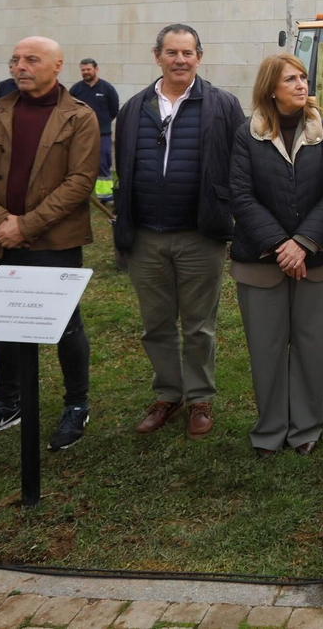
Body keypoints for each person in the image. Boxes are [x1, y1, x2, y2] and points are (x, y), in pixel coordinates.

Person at [0, 36, 99, 452]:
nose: (20, 66)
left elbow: (79, 182)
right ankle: (8, 402)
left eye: (31, 60)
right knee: (6, 323)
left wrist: (27, 225)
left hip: (54, 241)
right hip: (1, 240)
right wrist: (1, 222)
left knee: (66, 325)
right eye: (15, 59)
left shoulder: (79, 117)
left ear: (58, 66)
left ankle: (77, 404)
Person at [113, 24, 246, 439]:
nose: (180, 60)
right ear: (158, 57)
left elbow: (242, 163)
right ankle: (168, 394)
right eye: (172, 53)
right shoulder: (134, 108)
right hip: (147, 236)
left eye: (187, 53)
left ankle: (200, 398)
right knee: (155, 324)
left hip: (199, 234)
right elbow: (123, 166)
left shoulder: (223, 105)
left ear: (199, 57)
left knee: (198, 325)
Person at [230, 53, 323, 458]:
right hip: (260, 261)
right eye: (290, 79)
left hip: (318, 258)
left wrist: (301, 244)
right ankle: (269, 431)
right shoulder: (246, 134)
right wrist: (281, 245)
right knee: (265, 349)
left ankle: (306, 428)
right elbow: (242, 195)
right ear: (270, 88)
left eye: (303, 77)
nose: (302, 85)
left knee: (312, 347)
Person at [69, 58, 119, 202]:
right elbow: (69, 109)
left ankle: (105, 195)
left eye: (88, 69)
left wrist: (102, 123)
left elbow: (114, 109)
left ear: (96, 69)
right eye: (83, 70)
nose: (85, 72)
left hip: (102, 133)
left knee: (103, 163)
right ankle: (80, 194)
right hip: (80, 133)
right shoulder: (76, 90)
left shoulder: (107, 88)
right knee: (79, 163)